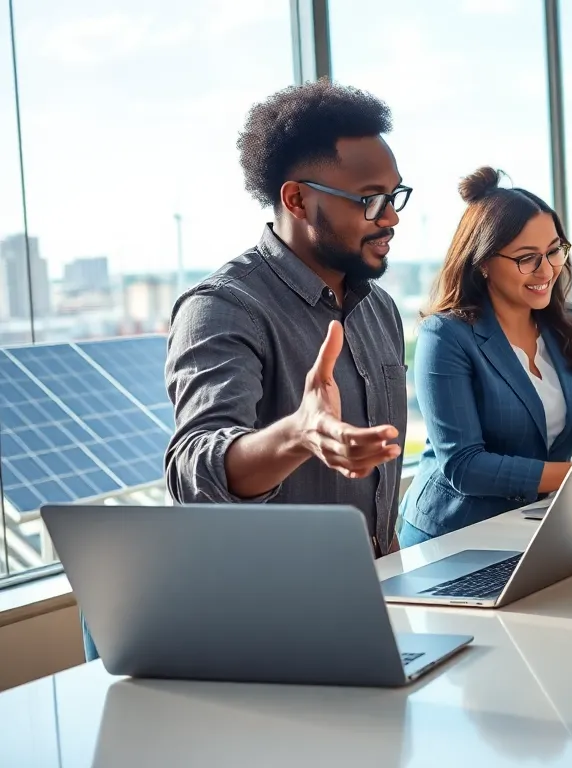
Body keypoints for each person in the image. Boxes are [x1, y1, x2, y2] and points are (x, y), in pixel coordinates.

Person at [75, 81, 410, 663]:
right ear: (297, 199)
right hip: (268, 624)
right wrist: (299, 435)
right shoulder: (224, 307)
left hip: (371, 606)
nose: (391, 218)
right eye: (370, 200)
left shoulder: (379, 309)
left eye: (395, 196)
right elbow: (194, 472)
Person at [397, 167, 572, 544]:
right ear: (483, 262)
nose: (546, 270)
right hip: (455, 535)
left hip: (542, 523)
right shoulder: (445, 335)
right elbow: (465, 466)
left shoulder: (568, 322)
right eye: (527, 258)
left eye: (553, 251)